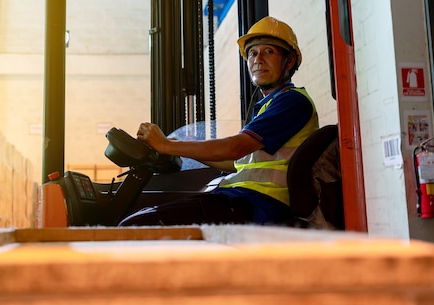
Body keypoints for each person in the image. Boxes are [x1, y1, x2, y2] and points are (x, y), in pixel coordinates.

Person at [119, 16, 319, 226]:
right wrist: (175, 147)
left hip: (259, 204)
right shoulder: (269, 106)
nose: (258, 59)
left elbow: (234, 148)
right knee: (143, 220)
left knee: (134, 227)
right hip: (246, 199)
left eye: (268, 51)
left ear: (289, 61)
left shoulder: (292, 102)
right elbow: (235, 162)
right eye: (252, 53)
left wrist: (165, 145)